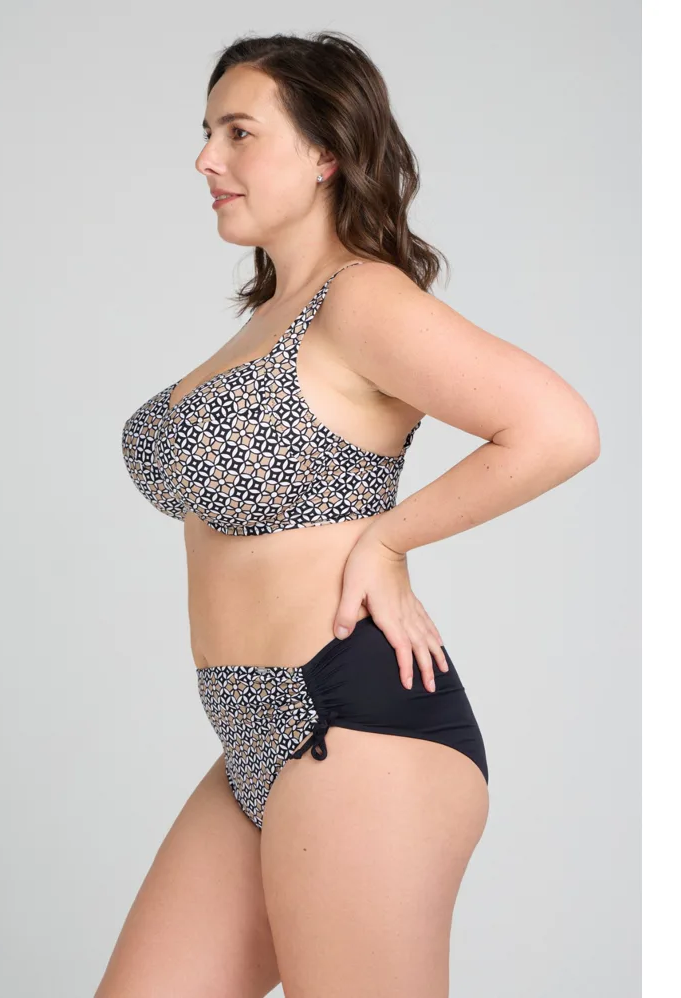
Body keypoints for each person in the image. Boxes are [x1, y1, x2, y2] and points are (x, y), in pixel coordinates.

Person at [98, 30, 600, 998]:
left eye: (239, 132)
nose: (206, 160)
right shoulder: (264, 322)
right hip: (253, 733)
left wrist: (388, 538)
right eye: (206, 133)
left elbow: (558, 429)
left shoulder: (359, 299)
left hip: (356, 724)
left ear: (325, 152)